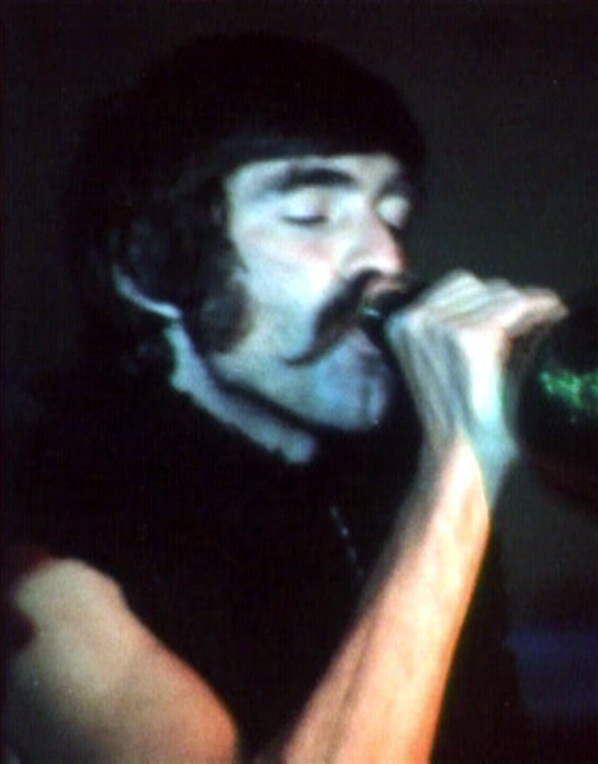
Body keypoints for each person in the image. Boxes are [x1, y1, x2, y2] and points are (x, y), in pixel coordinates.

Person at [2, 33, 564, 763]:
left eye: (393, 217)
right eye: (311, 215)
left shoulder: (397, 468)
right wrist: (460, 471)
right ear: (152, 265)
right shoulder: (41, 542)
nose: (387, 260)